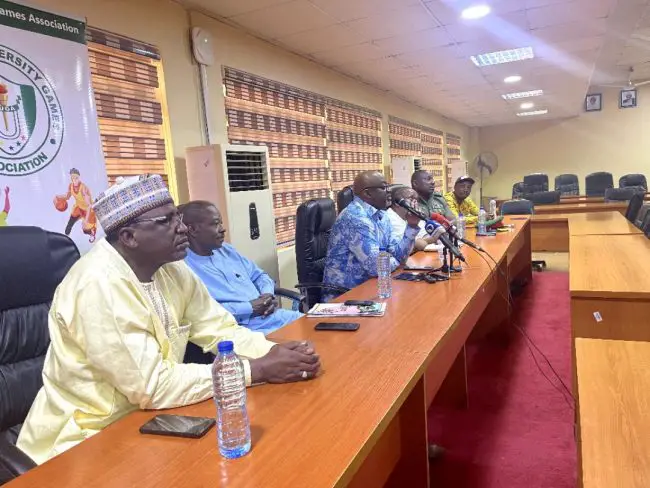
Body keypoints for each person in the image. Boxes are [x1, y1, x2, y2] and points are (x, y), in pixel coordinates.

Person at [17, 175, 320, 465]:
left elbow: (220, 328)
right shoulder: (97, 285)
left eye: (178, 217)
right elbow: (153, 385)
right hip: (87, 437)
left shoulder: (172, 269)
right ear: (129, 237)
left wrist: (276, 352)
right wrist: (259, 368)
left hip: (153, 418)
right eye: (167, 221)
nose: (183, 228)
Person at [180, 200, 302, 335]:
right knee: (308, 344)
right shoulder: (183, 267)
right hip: (240, 330)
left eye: (221, 223)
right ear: (192, 230)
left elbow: (259, 276)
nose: (222, 229)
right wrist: (250, 307)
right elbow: (204, 313)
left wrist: (267, 295)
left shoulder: (227, 250)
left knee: (317, 323)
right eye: (215, 224)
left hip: (274, 317)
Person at [323, 171, 420, 295]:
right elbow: (376, 267)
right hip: (345, 295)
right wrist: (397, 260)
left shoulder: (382, 216)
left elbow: (398, 254)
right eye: (383, 187)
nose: (389, 191)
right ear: (368, 193)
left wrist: (412, 226)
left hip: (374, 288)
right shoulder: (354, 217)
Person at [386, 185, 439, 253]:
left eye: (417, 200)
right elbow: (406, 247)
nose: (415, 203)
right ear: (397, 203)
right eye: (411, 199)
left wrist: (420, 242)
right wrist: (419, 243)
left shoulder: (414, 215)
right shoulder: (388, 218)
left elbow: (431, 236)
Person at [54, 168, 97, 241]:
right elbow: (67, 197)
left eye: (75, 177)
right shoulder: (70, 186)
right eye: (72, 177)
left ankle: (92, 234)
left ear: (78, 177)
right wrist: (58, 196)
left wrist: (86, 220)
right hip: (78, 207)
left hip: (88, 210)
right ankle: (66, 237)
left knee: (85, 229)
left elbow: (89, 205)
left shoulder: (83, 188)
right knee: (70, 223)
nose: (74, 179)